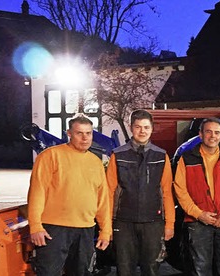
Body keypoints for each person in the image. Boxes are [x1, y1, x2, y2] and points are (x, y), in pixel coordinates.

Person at [28, 114, 111, 275]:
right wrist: (35, 226)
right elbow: (37, 192)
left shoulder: (95, 162)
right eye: (79, 133)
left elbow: (102, 200)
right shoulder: (50, 156)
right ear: (69, 133)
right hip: (54, 229)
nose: (85, 138)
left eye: (89, 133)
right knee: (49, 272)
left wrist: (105, 230)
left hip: (85, 229)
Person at [173, 117, 220, 276]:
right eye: (208, 132)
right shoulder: (187, 159)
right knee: (200, 267)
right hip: (198, 223)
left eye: (217, 132)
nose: (212, 136)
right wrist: (199, 214)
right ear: (200, 134)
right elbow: (180, 190)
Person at [106, 109, 175, 275]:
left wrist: (170, 224)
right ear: (131, 128)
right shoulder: (118, 155)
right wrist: (107, 225)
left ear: (152, 129)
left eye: (146, 127)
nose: (142, 131)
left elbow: (167, 192)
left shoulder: (161, 156)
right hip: (123, 222)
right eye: (138, 127)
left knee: (151, 269)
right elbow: (109, 192)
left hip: (153, 222)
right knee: (124, 270)